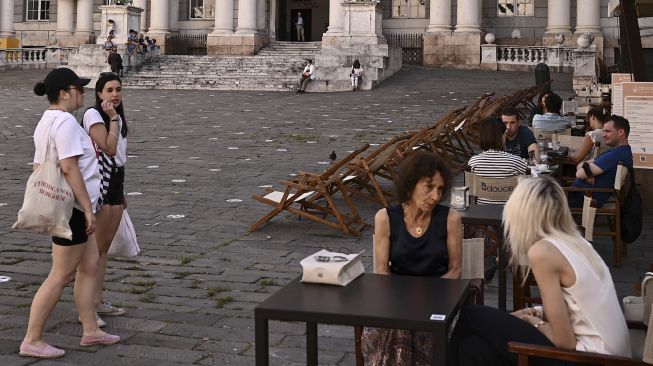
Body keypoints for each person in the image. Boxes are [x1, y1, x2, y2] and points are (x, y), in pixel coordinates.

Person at [448, 177, 631, 366]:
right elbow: (577, 309)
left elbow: (564, 341)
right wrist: (533, 311)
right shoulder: (577, 243)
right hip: (610, 357)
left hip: (587, 358)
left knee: (471, 314)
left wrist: (531, 321)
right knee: (474, 348)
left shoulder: (543, 252)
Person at [20, 68, 120, 359]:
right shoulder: (64, 122)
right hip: (74, 209)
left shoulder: (48, 120)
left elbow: (38, 166)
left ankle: (91, 330)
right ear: (65, 93)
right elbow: (69, 167)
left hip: (69, 206)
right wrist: (88, 209)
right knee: (60, 275)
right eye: (79, 88)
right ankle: (32, 339)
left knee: (89, 266)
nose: (84, 93)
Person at [361, 151, 462, 366]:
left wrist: (431, 299)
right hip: (396, 301)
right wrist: (401, 303)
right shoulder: (385, 218)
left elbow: (455, 270)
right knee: (394, 328)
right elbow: (381, 271)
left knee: (422, 330)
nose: (436, 196)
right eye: (429, 187)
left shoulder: (450, 219)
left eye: (440, 189)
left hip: (437, 301)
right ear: (410, 185)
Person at [82, 72, 130, 325]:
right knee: (95, 249)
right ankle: (87, 306)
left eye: (118, 89)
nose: (115, 94)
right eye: (109, 90)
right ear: (99, 93)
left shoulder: (119, 118)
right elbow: (107, 148)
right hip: (101, 181)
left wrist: (122, 192)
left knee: (104, 249)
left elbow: (119, 155)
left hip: (116, 180)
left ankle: (98, 300)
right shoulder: (94, 115)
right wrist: (112, 118)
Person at [569, 115, 633, 208]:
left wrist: (584, 172)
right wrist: (586, 173)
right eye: (603, 131)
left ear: (620, 132)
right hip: (581, 195)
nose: (603, 135)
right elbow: (582, 164)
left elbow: (579, 174)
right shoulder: (622, 152)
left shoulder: (615, 155)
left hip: (583, 199)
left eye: (607, 131)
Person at [468, 118, 528, 205]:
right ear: (502, 136)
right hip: (509, 215)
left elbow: (469, 191)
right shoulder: (516, 161)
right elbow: (527, 188)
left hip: (481, 214)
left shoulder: (473, 162)